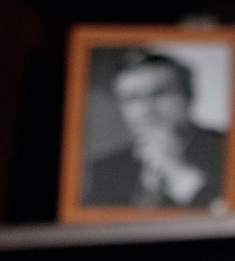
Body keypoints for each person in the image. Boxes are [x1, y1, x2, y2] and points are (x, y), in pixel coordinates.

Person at [84, 50, 226, 210]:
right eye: (132, 98)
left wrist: (177, 172)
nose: (145, 109)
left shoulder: (229, 149)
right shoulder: (105, 169)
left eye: (159, 93)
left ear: (189, 95)